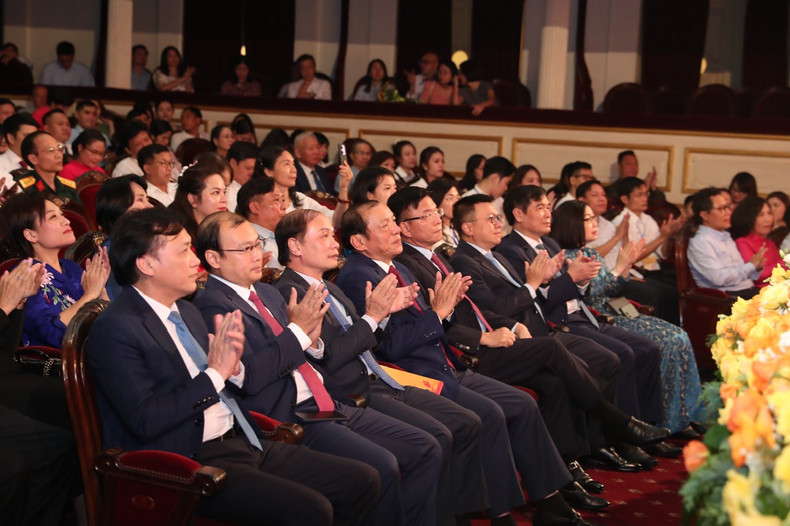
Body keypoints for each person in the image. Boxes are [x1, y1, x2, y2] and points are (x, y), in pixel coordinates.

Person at [88, 207, 380, 525]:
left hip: (245, 438)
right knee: (311, 509)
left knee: (362, 479)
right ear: (146, 264)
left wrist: (234, 369)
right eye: (184, 251)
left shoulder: (186, 313)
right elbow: (146, 420)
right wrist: (217, 372)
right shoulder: (116, 328)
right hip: (190, 460)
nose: (194, 261)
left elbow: (238, 379)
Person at [335, 200, 619, 526]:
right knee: (492, 412)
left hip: (445, 360)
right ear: (358, 241)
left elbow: (434, 321)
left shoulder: (397, 267)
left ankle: (550, 500)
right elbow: (390, 349)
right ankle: (501, 513)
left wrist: (448, 307)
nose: (396, 229)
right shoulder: (359, 277)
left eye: (393, 221)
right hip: (416, 375)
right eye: (385, 225)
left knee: (521, 402)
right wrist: (440, 313)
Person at [390, 186, 673, 485]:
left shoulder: (439, 257)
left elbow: (476, 309)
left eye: (437, 211)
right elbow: (444, 318)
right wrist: (496, 325)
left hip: (507, 333)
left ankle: (567, 470)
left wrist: (513, 323)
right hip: (466, 352)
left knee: (556, 382)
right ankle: (617, 424)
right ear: (405, 226)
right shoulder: (424, 262)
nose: (437, 218)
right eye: (428, 214)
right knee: (553, 352)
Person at [194, 212, 442, 526]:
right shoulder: (212, 306)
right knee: (381, 465)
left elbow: (310, 355)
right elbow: (251, 377)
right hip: (291, 415)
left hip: (326, 400)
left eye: (257, 245)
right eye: (245, 249)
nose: (257, 255)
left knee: (424, 445)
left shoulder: (267, 293)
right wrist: (298, 333)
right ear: (213, 258)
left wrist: (312, 342)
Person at [275, 208, 493, 526]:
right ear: (295, 246)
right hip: (350, 392)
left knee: (457, 425)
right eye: (323, 235)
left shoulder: (330, 287)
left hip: (378, 376)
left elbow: (367, 342)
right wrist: (373, 316)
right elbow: (328, 360)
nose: (334, 242)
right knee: (431, 440)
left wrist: (384, 315)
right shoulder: (290, 294)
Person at [551, 200, 703, 438]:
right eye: (588, 219)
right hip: (600, 316)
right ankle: (668, 419)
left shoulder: (589, 251)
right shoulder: (567, 256)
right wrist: (617, 269)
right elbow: (590, 293)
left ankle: (686, 415)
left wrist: (624, 269)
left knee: (679, 334)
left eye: (594, 218)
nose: (595, 223)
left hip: (612, 310)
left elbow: (608, 288)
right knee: (669, 340)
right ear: (571, 223)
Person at [0, 193, 109, 347]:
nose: (66, 221)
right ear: (31, 234)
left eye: (62, 214)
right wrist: (90, 294)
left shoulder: (70, 267)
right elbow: (53, 336)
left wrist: (101, 289)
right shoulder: (24, 278)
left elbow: (109, 323)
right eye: (53, 217)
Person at [610, 177, 682, 323]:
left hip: (654, 268)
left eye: (646, 194)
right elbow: (633, 256)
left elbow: (663, 253)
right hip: (635, 270)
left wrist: (669, 236)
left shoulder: (648, 219)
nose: (644, 199)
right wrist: (662, 237)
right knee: (658, 292)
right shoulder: (621, 222)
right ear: (625, 199)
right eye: (639, 195)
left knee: (678, 288)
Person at [688, 187, 763, 299]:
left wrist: (756, 267)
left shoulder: (725, 236)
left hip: (747, 291)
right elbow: (718, 278)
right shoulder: (701, 242)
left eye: (728, 207)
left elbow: (741, 273)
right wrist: (750, 266)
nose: (728, 212)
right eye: (722, 209)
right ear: (705, 215)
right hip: (725, 299)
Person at [258, 146, 352, 230]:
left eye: (293, 164)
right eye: (286, 164)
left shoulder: (300, 199)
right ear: (269, 171)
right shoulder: (260, 202)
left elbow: (337, 221)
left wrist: (343, 189)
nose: (294, 170)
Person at [95, 174, 153, 299]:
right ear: (118, 207)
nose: (150, 206)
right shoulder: (110, 253)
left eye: (147, 199)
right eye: (140, 200)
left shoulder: (146, 242)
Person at [731, 196, 785, 288]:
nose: (768, 219)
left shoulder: (769, 243)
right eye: (761, 215)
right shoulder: (742, 242)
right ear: (748, 218)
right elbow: (758, 275)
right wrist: (785, 262)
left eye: (769, 213)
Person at [235, 176, 286, 270]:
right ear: (255, 207)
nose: (284, 207)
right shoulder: (246, 242)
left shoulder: (284, 236)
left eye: (283, 200)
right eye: (276, 200)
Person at [16, 131, 81, 203]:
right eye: (51, 150)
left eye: (59, 149)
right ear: (33, 159)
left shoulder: (69, 187)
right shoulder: (21, 188)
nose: (59, 156)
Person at [169, 165, 228, 240]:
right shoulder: (179, 237)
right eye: (216, 192)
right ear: (193, 199)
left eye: (225, 192)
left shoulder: (225, 228)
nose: (224, 199)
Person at [0, 112, 38, 190]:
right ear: (11, 138)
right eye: (27, 136)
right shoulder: (1, 164)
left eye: (35, 136)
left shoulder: (39, 163)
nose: (33, 141)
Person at [427, 178, 461, 247]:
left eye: (457, 198)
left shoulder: (457, 227)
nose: (456, 203)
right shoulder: (434, 233)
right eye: (449, 198)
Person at [226, 141, 259, 213]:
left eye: (254, 169)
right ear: (233, 163)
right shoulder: (225, 191)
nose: (252, 173)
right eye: (248, 168)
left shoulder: (256, 189)